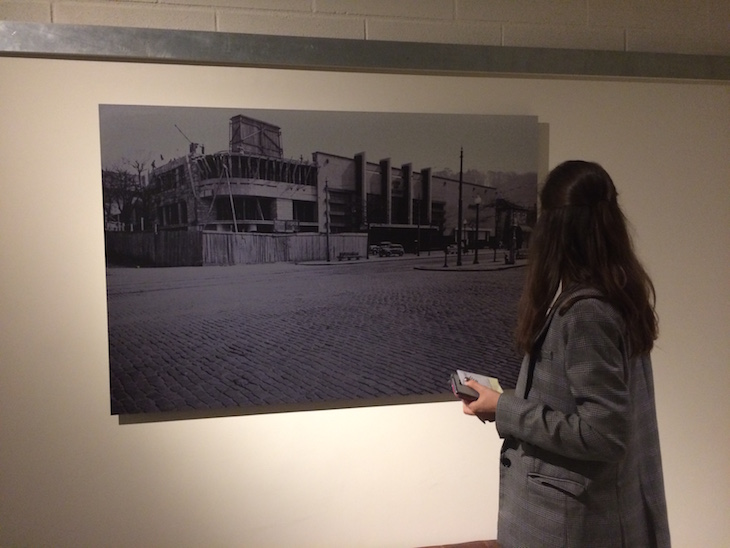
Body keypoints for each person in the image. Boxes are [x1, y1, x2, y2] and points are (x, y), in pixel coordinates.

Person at [461, 160, 670, 547]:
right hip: (586, 516)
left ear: (553, 229)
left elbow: (603, 433)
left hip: (569, 526)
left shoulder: (588, 312)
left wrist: (504, 407)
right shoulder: (616, 295)